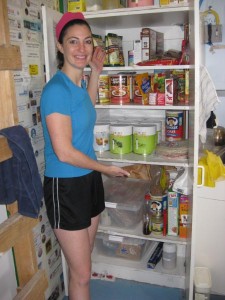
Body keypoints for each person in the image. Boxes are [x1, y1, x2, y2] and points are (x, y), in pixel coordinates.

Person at [40, 12, 129, 300]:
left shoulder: (77, 86)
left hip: (87, 180)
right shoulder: (55, 90)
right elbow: (64, 152)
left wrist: (96, 73)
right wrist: (105, 168)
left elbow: (86, 108)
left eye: (87, 42)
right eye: (73, 42)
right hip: (65, 186)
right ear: (60, 46)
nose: (81, 48)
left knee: (84, 264)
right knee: (81, 274)